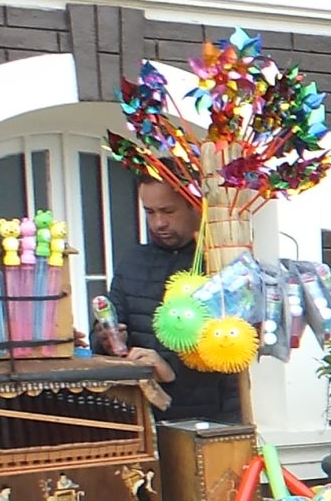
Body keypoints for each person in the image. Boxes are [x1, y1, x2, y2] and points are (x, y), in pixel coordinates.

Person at [102, 179, 240, 423]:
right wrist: (107, 339)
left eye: (168, 211)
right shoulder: (132, 261)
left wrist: (170, 370)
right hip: (142, 413)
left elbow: (233, 348)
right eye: (149, 212)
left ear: (195, 206)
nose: (159, 223)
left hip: (209, 415)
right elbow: (114, 319)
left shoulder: (219, 265)